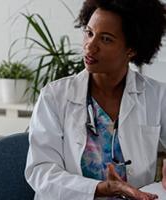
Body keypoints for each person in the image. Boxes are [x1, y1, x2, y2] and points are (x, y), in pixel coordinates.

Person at [25, 0, 166, 199]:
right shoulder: (54, 97)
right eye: (89, 33)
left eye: (106, 39)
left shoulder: (156, 95)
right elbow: (41, 172)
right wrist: (100, 188)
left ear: (132, 49)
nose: (90, 46)